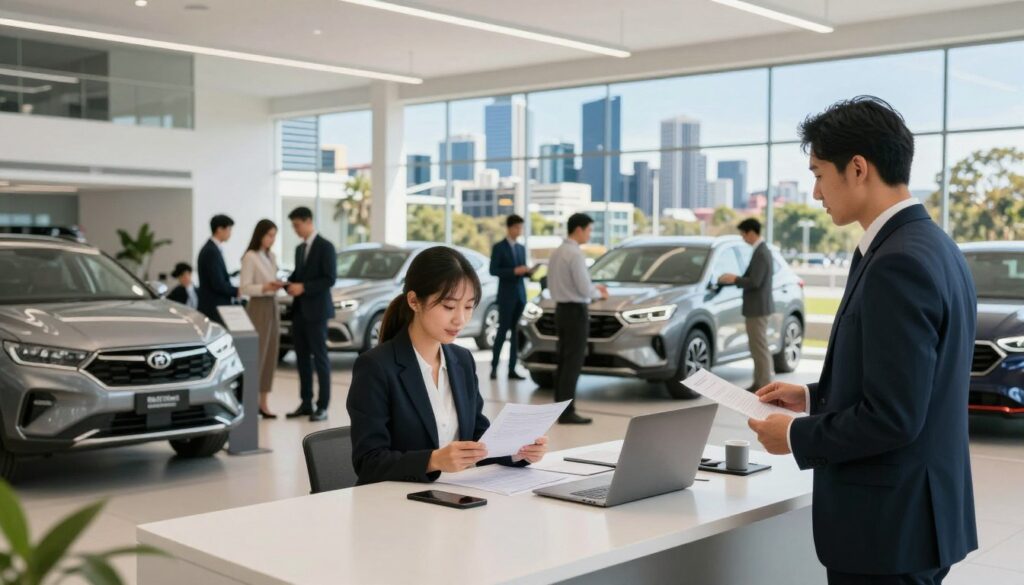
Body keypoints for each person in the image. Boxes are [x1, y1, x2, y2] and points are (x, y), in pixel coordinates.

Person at [748, 96, 977, 585]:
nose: (815, 192)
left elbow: (893, 416)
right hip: (919, 516)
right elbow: (913, 382)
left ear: (857, 168)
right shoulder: (935, 246)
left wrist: (794, 436)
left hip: (889, 530)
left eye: (818, 174)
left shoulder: (898, 262)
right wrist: (811, 396)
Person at [347, 246, 548, 485]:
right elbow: (368, 462)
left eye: (468, 307)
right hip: (396, 500)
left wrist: (518, 451)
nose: (460, 319)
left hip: (454, 496)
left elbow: (478, 438)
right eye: (449, 307)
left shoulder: (462, 361)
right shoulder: (375, 367)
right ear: (414, 301)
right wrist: (433, 461)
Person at [546, 213, 609, 425]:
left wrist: (591, 288)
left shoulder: (557, 252)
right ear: (579, 229)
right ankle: (567, 412)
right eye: (589, 229)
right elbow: (584, 288)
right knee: (573, 362)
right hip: (575, 312)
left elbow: (555, 284)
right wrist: (599, 293)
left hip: (560, 310)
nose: (590, 234)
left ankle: (559, 408)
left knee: (563, 360)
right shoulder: (575, 254)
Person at [284, 207, 337, 423]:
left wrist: (304, 287)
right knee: (302, 359)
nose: (295, 230)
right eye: (293, 226)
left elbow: (329, 278)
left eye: (297, 225)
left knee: (320, 359)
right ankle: (306, 402)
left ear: (308, 221)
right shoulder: (299, 249)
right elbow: (299, 274)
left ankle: (322, 406)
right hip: (299, 312)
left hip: (317, 312)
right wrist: (286, 283)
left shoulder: (326, 247)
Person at [718, 218, 773, 392]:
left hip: (757, 309)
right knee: (756, 347)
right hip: (756, 308)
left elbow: (755, 281)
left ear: (751, 233)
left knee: (759, 348)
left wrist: (734, 279)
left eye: (743, 234)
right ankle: (759, 383)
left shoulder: (762, 253)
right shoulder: (760, 251)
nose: (743, 238)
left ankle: (765, 385)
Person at [240, 219, 287, 419]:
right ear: (260, 235)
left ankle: (264, 403)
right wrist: (265, 287)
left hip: (272, 305)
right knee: (257, 354)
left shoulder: (272, 256)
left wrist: (276, 285)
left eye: (274, 235)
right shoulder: (250, 257)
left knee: (271, 354)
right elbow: (244, 287)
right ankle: (249, 403)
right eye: (269, 235)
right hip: (258, 306)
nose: (272, 239)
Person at [488, 214, 530, 381]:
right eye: (517, 227)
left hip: (520, 295)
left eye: (521, 227)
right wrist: (513, 271)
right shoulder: (499, 247)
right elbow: (493, 270)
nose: (519, 230)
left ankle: (512, 369)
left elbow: (522, 272)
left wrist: (527, 272)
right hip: (506, 296)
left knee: (516, 334)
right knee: (502, 331)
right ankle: (494, 367)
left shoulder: (521, 248)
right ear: (509, 228)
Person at [196, 214, 239, 324]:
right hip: (213, 307)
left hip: (214, 305)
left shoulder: (213, 248)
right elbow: (217, 283)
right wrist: (237, 291)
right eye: (229, 229)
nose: (230, 233)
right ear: (219, 229)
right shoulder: (211, 251)